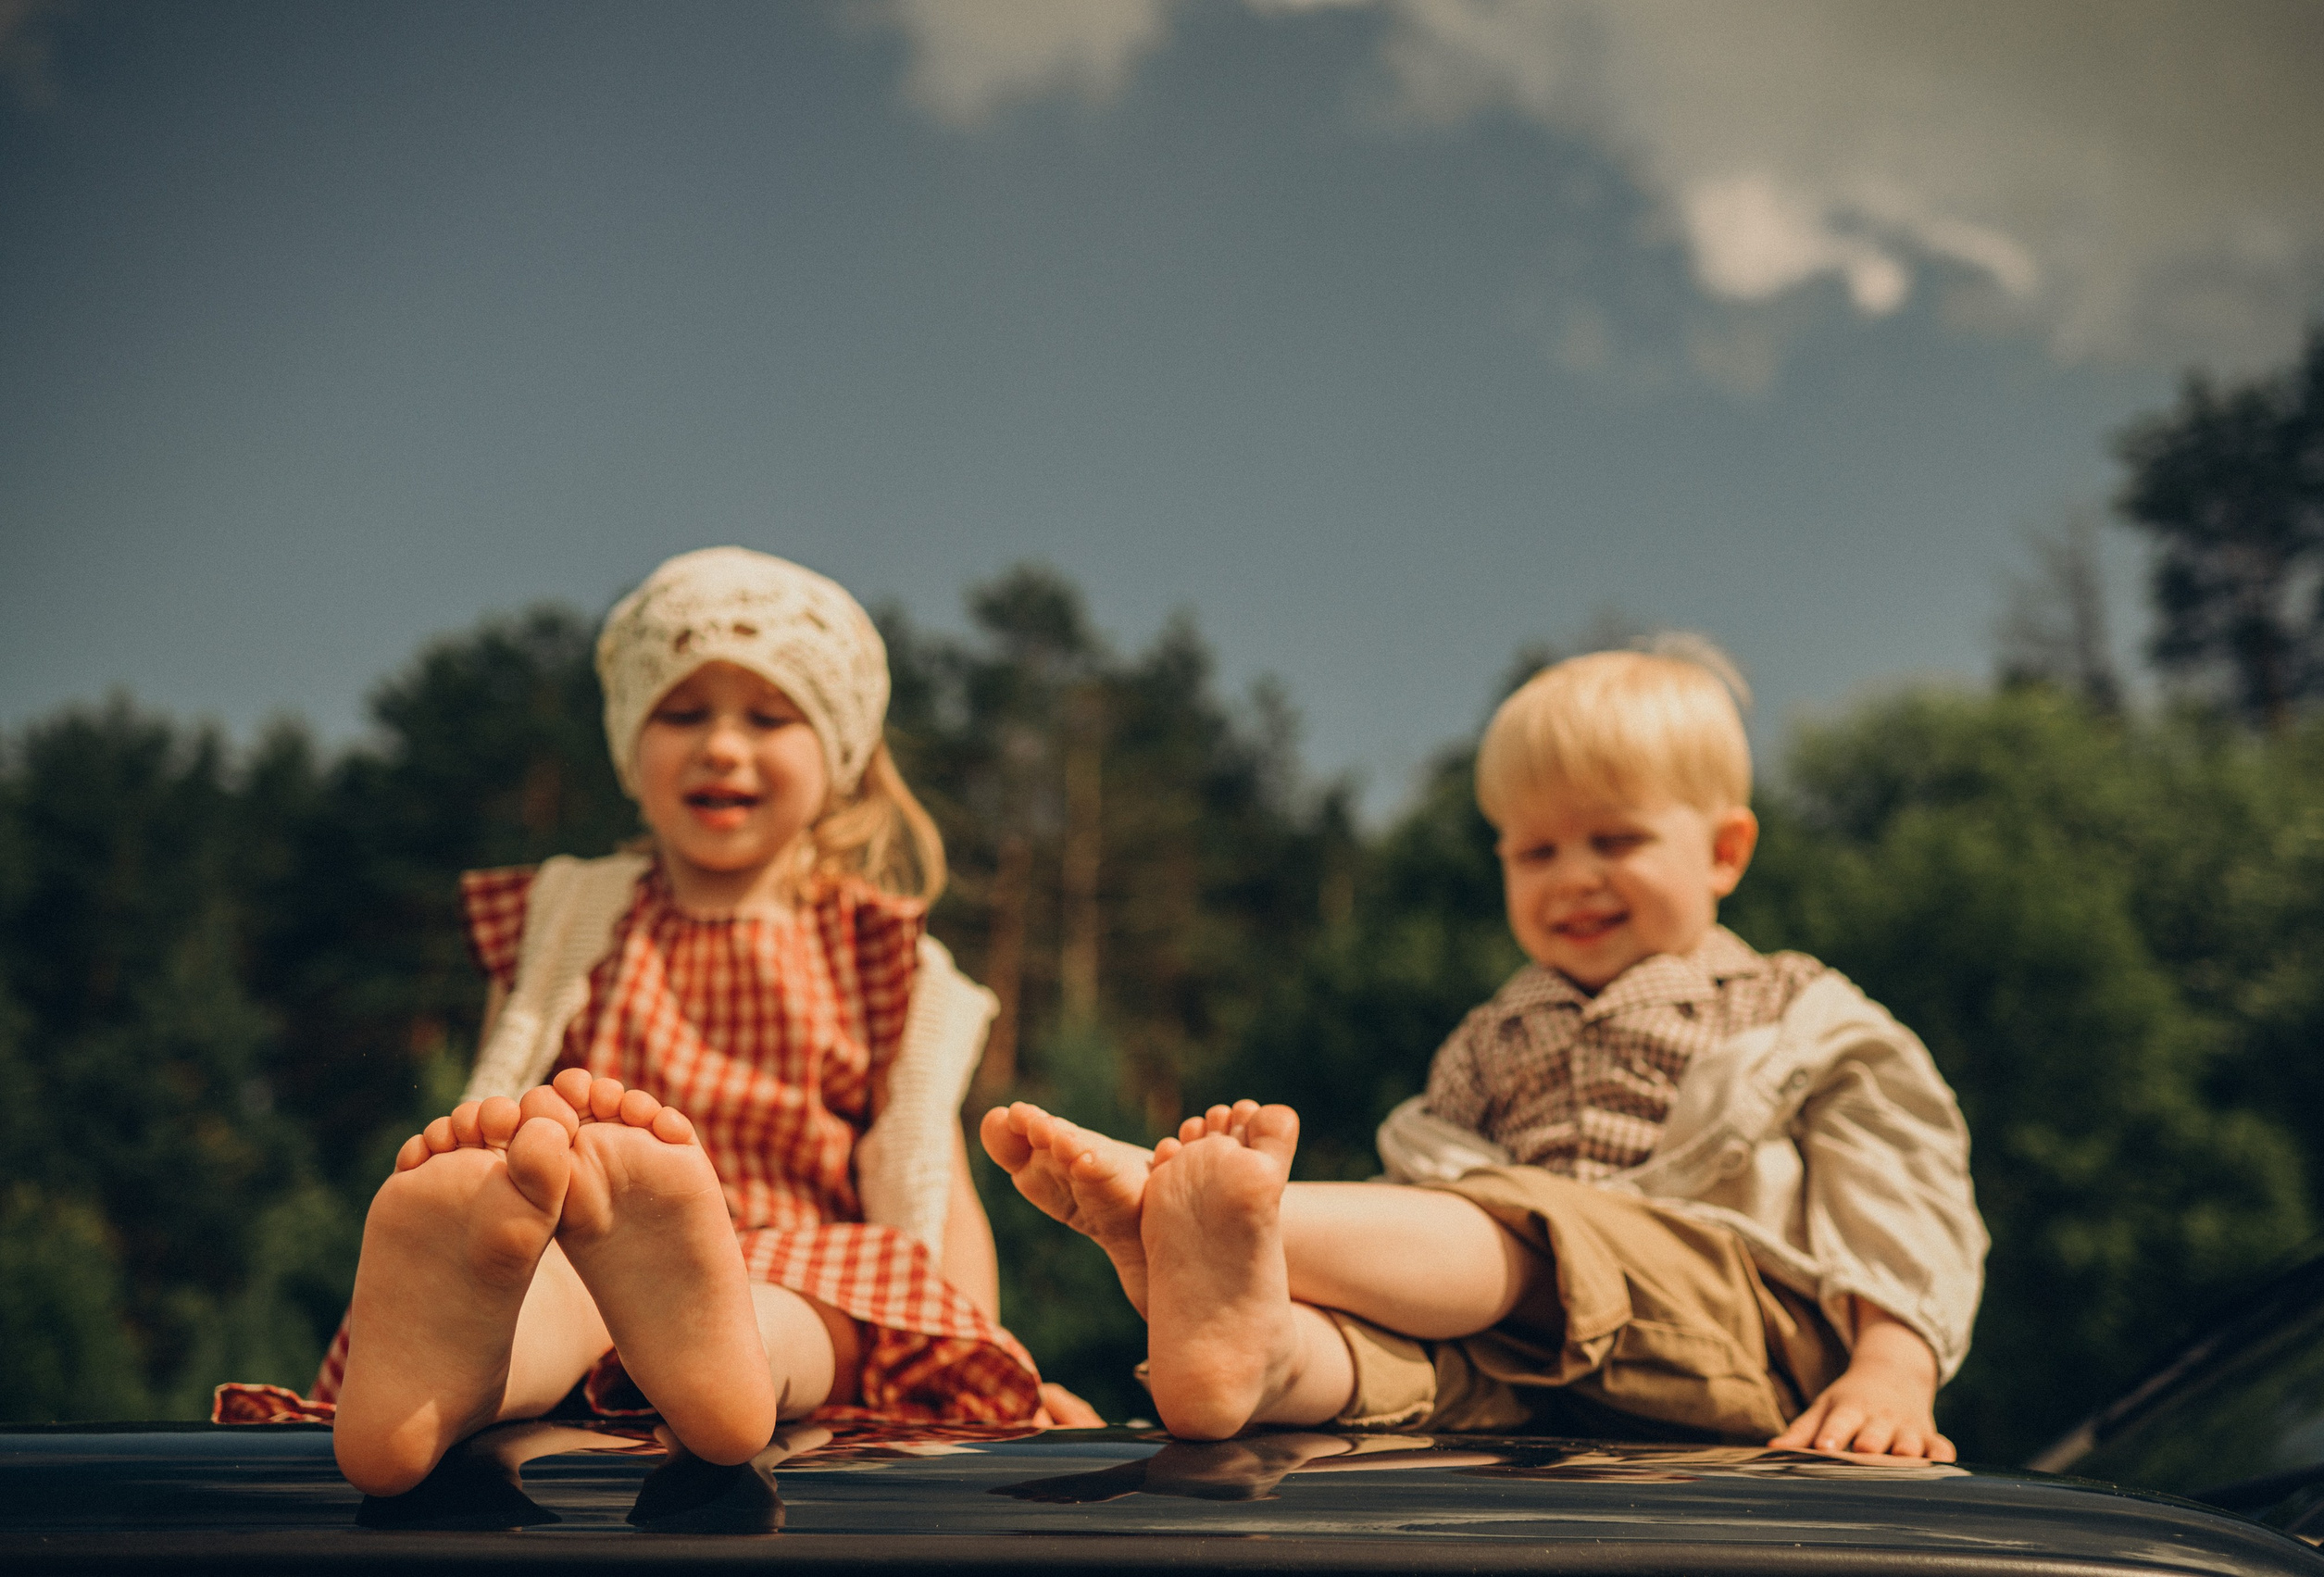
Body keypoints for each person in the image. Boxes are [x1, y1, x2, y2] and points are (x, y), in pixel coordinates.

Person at [984, 639, 1986, 1458]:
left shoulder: (1790, 1010)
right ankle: (1264, 1348)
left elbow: (1899, 1190)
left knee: (1517, 1228)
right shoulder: (1492, 1036)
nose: (1572, 877)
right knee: (1409, 1355)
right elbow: (1415, 1227)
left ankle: (1231, 1217)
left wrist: (1891, 1367)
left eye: (1615, 840)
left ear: (1723, 851)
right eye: (1536, 850)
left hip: (1738, 1332)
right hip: (1540, 1375)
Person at [321, 546, 1083, 1498]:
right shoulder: (568, 916)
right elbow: (506, 1082)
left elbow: (932, 1175)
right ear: (631, 749)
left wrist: (985, 1355)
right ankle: (463, 1366)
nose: (721, 745)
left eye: (767, 716)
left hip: (807, 1260)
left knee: (790, 1316)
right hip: (590, 1239)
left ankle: (716, 1363)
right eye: (682, 713)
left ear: (841, 758)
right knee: (546, 1289)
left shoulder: (880, 951)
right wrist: (490, 1186)